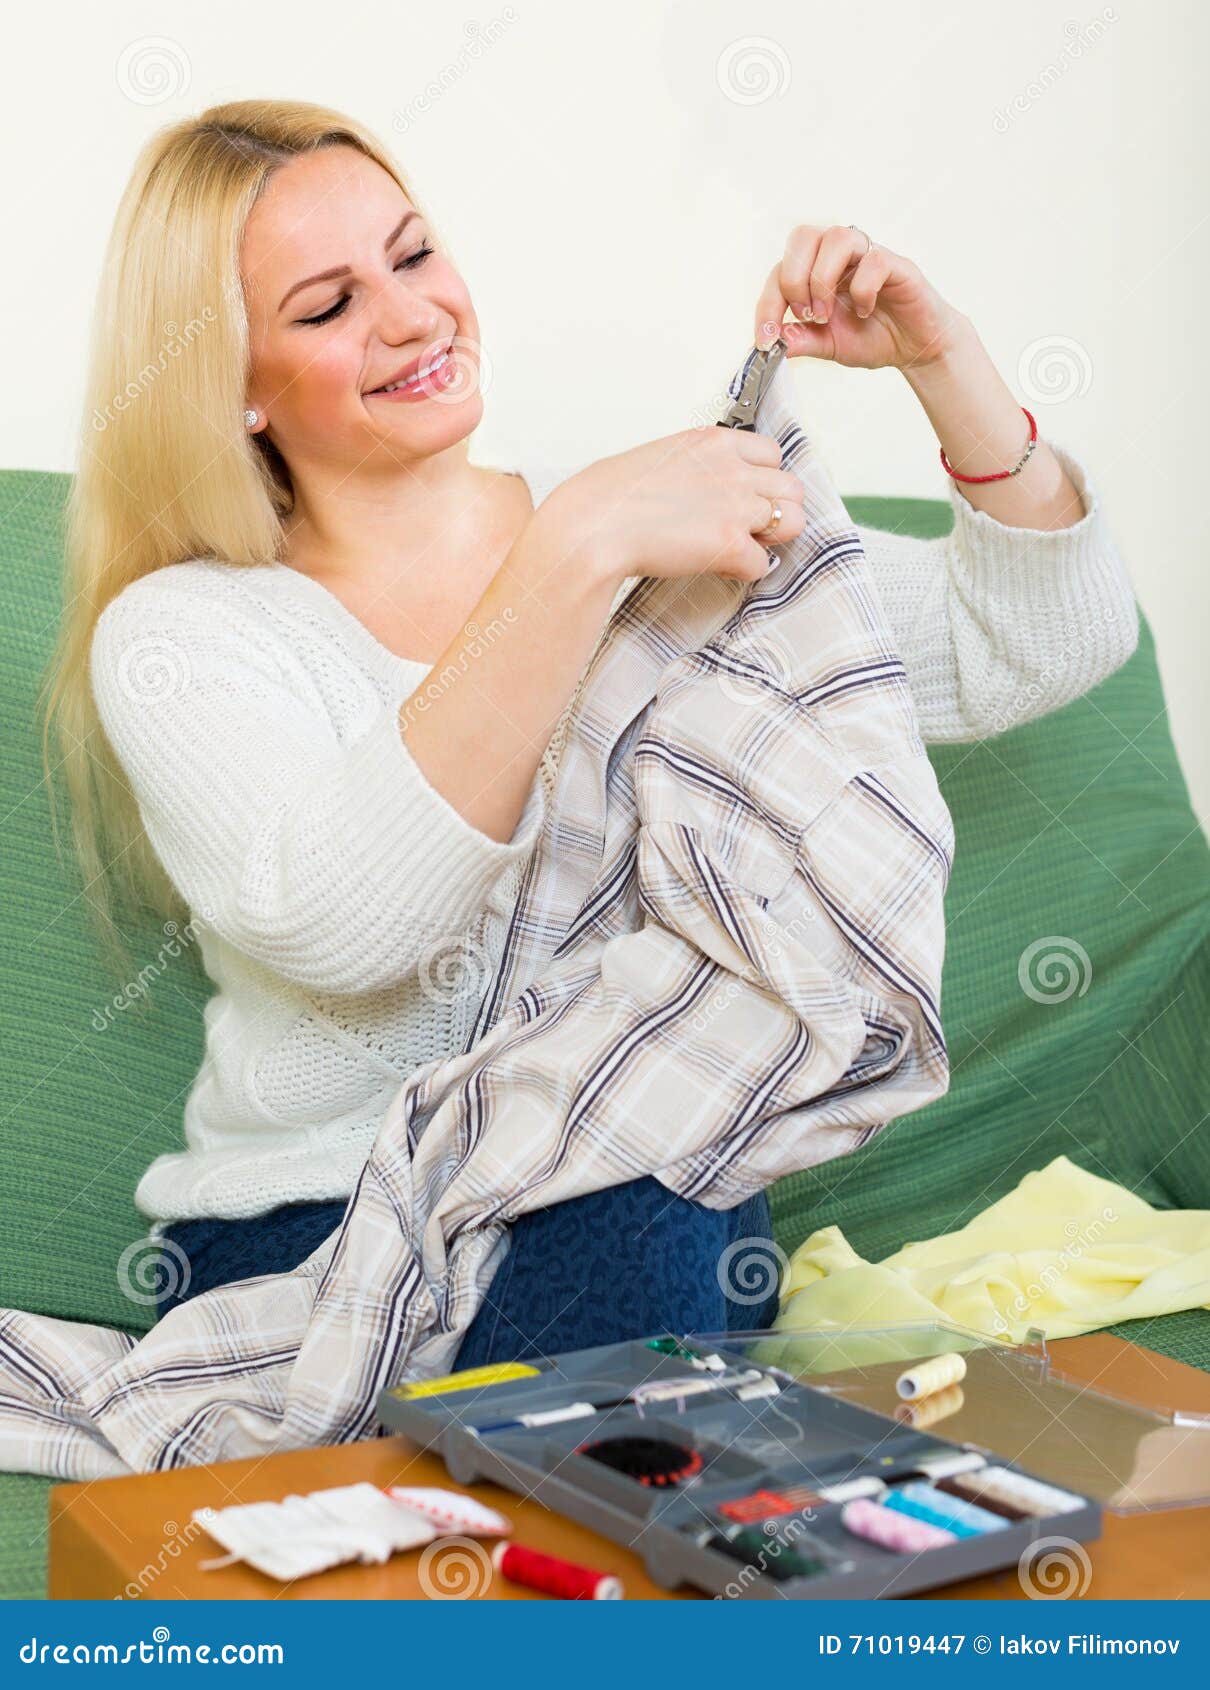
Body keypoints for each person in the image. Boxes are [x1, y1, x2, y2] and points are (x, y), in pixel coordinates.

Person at [42, 100, 1137, 1363]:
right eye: (326, 305)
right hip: (311, 1225)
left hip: (616, 1183)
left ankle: (608, 1500)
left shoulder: (643, 530)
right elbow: (347, 928)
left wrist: (944, 362)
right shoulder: (189, 631)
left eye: (411, 254)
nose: (410, 316)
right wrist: (571, 552)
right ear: (232, 383)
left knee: (646, 1176)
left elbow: (1037, 645)